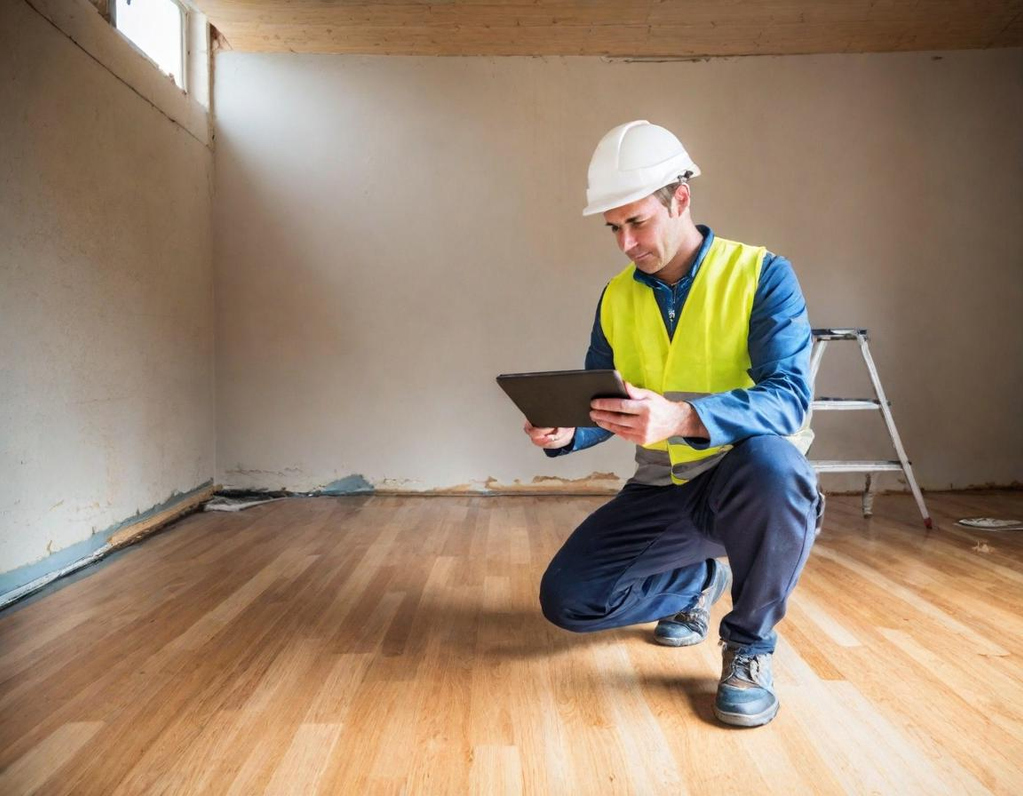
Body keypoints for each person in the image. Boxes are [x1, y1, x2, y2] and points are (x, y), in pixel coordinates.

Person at [524, 120, 823, 728]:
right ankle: (695, 584)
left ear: (680, 199)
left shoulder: (762, 274)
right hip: (663, 490)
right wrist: (569, 431)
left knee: (776, 464)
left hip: (750, 486)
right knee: (570, 601)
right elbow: (606, 402)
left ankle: (749, 648)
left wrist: (682, 417)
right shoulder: (617, 296)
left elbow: (788, 398)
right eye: (614, 228)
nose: (625, 243)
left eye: (637, 222)